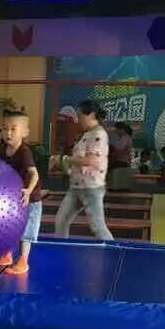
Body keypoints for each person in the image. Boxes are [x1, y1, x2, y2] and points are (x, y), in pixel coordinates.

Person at [51, 100, 114, 241]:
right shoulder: (87, 134)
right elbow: (78, 161)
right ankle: (60, 248)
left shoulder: (99, 134)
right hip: (76, 187)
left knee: (98, 227)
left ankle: (113, 251)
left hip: (91, 188)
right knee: (61, 220)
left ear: (91, 115)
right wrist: (63, 163)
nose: (78, 120)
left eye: (80, 116)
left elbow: (90, 161)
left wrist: (65, 158)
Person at [0, 111, 42, 275]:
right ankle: (6, 255)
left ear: (24, 132)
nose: (8, 133)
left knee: (26, 231)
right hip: (12, 198)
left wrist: (28, 191)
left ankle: (23, 261)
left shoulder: (24, 151)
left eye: (13, 129)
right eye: (5, 128)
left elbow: (34, 174)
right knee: (8, 227)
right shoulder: (1, 150)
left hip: (29, 198)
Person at [107, 121, 134, 192]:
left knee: (108, 166)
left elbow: (120, 148)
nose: (116, 132)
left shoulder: (126, 138)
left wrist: (112, 146)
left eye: (117, 130)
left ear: (122, 130)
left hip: (122, 162)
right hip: (117, 160)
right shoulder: (120, 137)